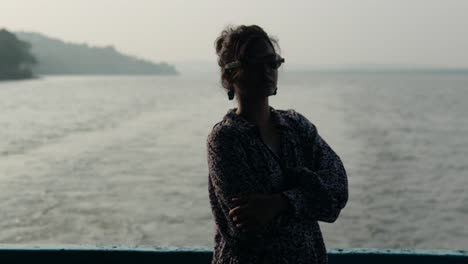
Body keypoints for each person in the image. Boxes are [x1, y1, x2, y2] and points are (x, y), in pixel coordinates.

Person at [206, 24, 349, 264]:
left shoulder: (296, 126)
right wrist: (308, 189)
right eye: (254, 63)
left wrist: (280, 202)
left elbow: (338, 191)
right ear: (230, 74)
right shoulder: (225, 139)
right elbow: (250, 226)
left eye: (272, 62)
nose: (266, 71)